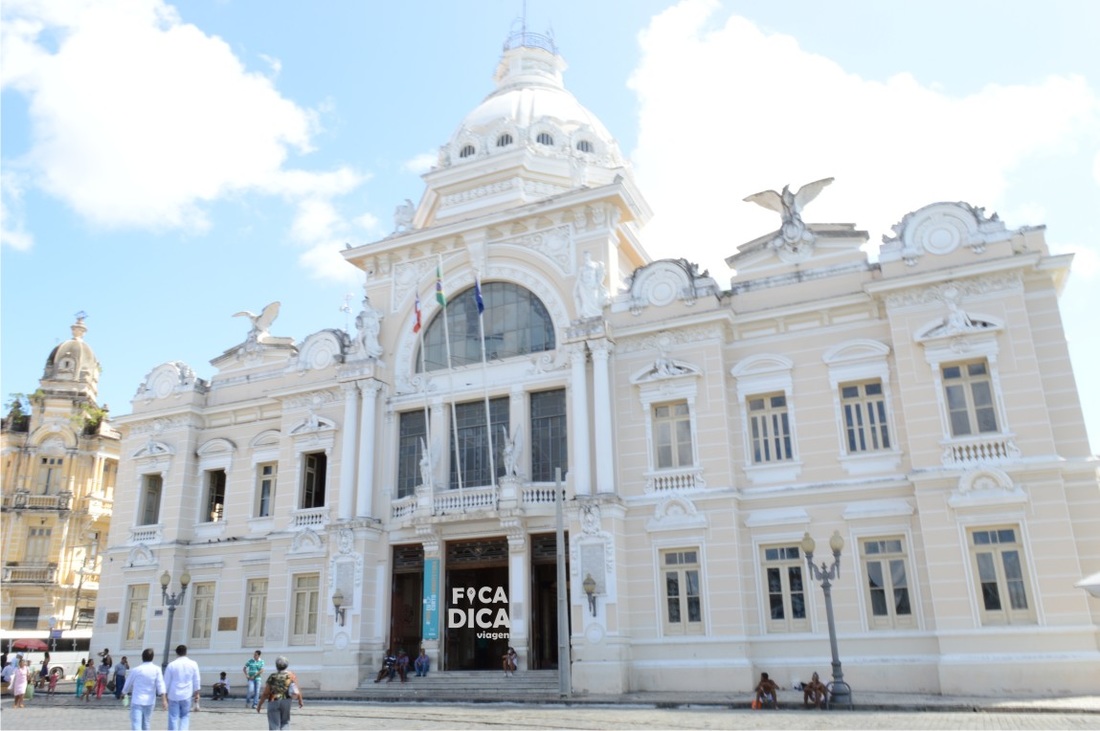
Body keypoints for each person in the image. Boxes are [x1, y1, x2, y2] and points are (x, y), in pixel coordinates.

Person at [121, 648, 167, 731]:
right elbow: (160, 685)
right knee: (146, 723)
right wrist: (164, 700)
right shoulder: (157, 669)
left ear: (142, 657)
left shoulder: (136, 670)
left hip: (137, 700)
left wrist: (124, 693)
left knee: (136, 723)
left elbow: (128, 683)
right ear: (152, 657)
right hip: (150, 701)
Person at [256, 656, 302, 731]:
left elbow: (265, 693)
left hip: (273, 700)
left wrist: (259, 705)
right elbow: (296, 689)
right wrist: (300, 700)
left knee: (274, 724)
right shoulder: (291, 676)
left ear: (276, 666)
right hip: (286, 701)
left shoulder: (272, 676)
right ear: (286, 665)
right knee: (285, 722)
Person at [164, 644, 201, 730]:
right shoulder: (193, 664)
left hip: (173, 694)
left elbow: (166, 681)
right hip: (186, 694)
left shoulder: (171, 665)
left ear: (176, 653)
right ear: (186, 652)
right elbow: (197, 679)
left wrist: (164, 696)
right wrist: (197, 693)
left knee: (173, 717)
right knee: (185, 716)